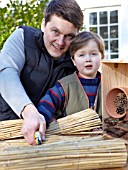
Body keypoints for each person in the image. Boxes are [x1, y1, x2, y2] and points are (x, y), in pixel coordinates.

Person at [0, 0, 83, 145]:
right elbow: (5, 72)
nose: (60, 42)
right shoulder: (22, 37)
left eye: (69, 36)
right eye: (55, 31)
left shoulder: (75, 61)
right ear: (44, 24)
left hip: (41, 139)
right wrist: (29, 111)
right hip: (4, 129)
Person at [37, 31, 105, 137]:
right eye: (81, 55)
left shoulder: (110, 85)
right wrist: (41, 123)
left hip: (106, 145)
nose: (88, 59)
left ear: (102, 57)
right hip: (72, 143)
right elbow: (46, 105)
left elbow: (121, 110)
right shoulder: (64, 86)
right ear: (73, 60)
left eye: (94, 54)